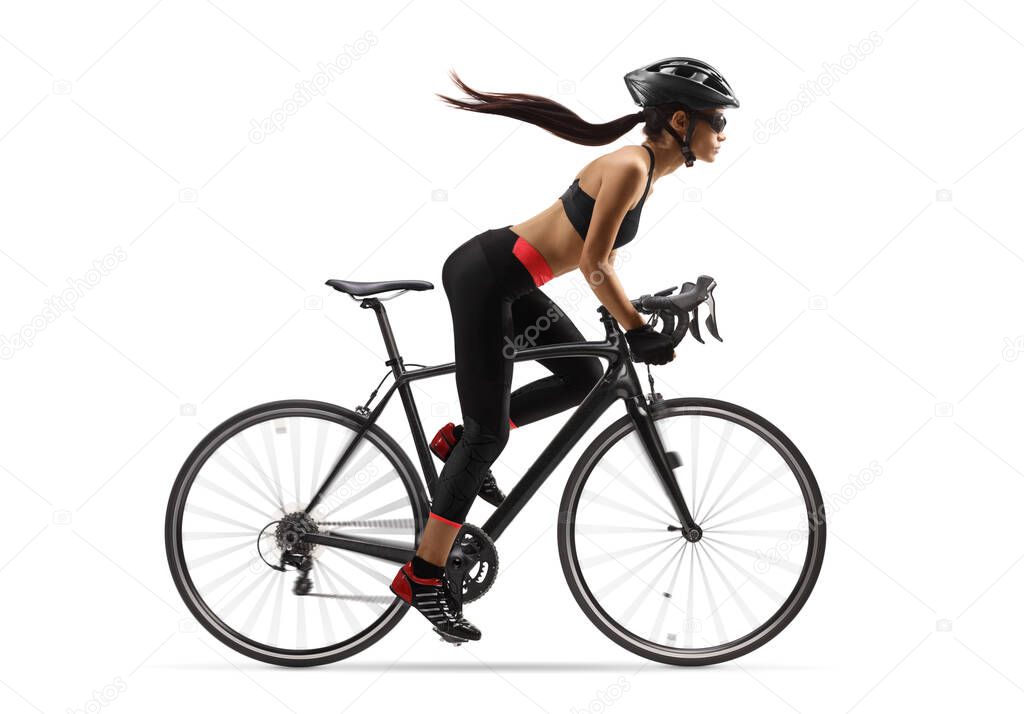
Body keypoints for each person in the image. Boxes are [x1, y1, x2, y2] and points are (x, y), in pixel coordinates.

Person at [389, 57, 739, 643]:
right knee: (489, 435)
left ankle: (455, 443)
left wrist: (647, 305)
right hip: (486, 278)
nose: (724, 134)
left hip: (514, 282)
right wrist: (636, 328)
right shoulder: (630, 165)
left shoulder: (645, 169)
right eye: (719, 121)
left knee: (579, 380)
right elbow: (593, 263)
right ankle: (422, 577)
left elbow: (598, 258)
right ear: (682, 120)